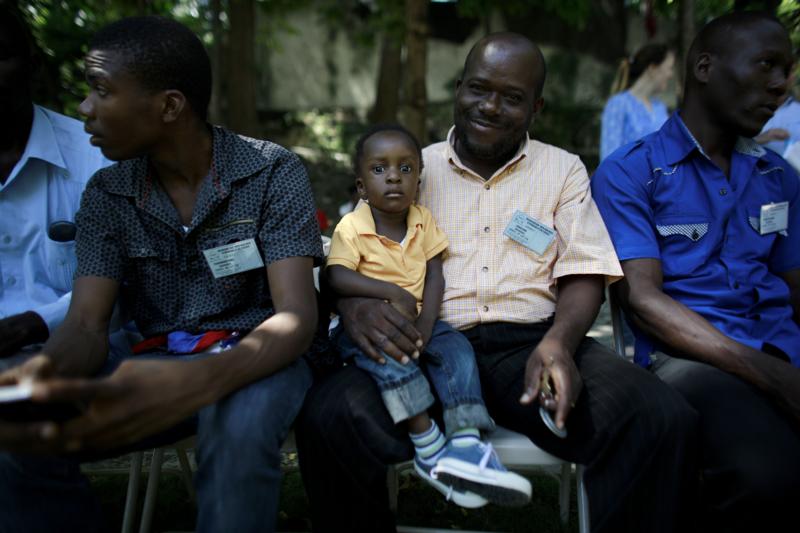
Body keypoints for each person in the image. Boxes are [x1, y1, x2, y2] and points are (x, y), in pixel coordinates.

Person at [297, 32, 699, 533]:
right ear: (459, 88)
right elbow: (352, 253)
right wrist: (352, 305)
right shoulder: (409, 167)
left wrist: (559, 344)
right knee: (330, 416)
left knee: (657, 416)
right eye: (479, 89)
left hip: (531, 344)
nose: (490, 106)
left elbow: (584, 269)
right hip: (424, 342)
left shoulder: (562, 170)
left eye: (512, 97)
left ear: (536, 107)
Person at [0, 15, 322, 533]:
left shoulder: (269, 171)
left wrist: (200, 378)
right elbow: (85, 325)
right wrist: (45, 371)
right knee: (18, 426)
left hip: (259, 359)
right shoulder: (108, 192)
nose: (84, 109)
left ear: (170, 106)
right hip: (152, 359)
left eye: (102, 90)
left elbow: (296, 318)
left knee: (236, 431)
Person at [592, 12, 800, 533]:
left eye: (787, 70)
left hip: (781, 350)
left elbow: (795, 287)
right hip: (688, 360)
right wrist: (772, 376)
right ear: (705, 67)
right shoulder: (631, 172)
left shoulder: (779, 176)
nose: (782, 84)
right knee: (769, 475)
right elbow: (644, 302)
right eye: (767, 65)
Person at [326, 123, 531, 507]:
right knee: (392, 362)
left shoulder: (422, 220)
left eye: (405, 169)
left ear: (418, 183)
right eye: (379, 169)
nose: (393, 177)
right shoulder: (352, 227)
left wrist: (426, 323)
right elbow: (336, 276)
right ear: (361, 187)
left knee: (457, 350)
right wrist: (392, 292)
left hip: (421, 320)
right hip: (370, 329)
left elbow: (435, 275)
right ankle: (428, 445)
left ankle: (466, 440)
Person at [0, 4, 109, 359]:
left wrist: (35, 323)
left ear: (32, 67)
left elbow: (132, 281)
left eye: (1, 56)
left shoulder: (98, 160)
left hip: (74, 358)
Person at [600, 43, 675, 161]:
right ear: (652, 68)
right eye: (669, 68)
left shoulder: (660, 108)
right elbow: (608, 159)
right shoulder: (618, 104)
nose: (671, 74)